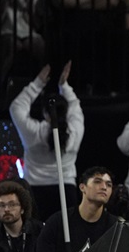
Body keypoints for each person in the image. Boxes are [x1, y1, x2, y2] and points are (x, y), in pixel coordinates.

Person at [9, 62, 83, 221]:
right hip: (66, 190)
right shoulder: (75, 131)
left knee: (37, 239)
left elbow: (16, 108)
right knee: (64, 238)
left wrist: (38, 84)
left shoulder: (34, 131)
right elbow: (76, 109)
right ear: (66, 111)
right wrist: (65, 86)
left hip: (36, 193)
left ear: (44, 112)